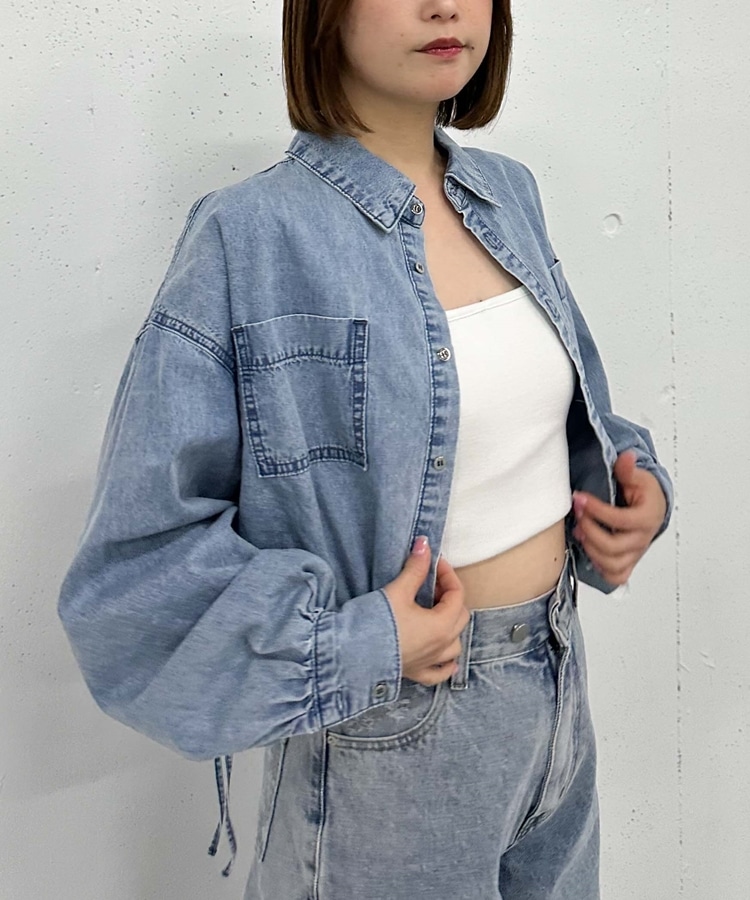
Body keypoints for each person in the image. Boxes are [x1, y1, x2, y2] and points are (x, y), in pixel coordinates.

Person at [57, 1, 673, 897]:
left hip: (556, 685)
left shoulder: (509, 193)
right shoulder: (247, 235)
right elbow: (135, 572)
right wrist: (356, 646)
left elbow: (547, 413)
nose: (444, 5)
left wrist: (631, 492)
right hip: (392, 734)